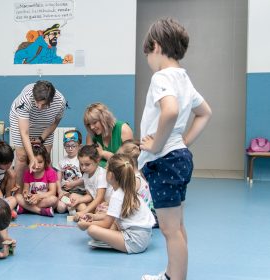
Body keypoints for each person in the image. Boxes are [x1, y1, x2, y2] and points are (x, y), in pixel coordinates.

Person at [138, 18, 212, 280]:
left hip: (164, 159)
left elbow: (169, 111)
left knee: (170, 230)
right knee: (177, 227)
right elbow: (205, 113)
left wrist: (157, 144)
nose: (148, 60)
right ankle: (173, 273)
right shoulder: (183, 78)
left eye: (147, 53)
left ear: (155, 47)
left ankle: (175, 278)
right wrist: (184, 142)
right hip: (177, 156)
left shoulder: (162, 77)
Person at [78, 154, 155, 253]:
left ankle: (112, 241)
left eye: (106, 169)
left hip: (134, 241)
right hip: (144, 237)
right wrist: (94, 217)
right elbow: (114, 216)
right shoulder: (128, 189)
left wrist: (86, 225)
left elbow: (106, 224)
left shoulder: (117, 195)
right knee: (109, 224)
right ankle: (113, 238)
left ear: (110, 175)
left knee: (92, 230)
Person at [9, 80, 66, 188]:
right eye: (36, 102)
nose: (39, 107)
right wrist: (31, 157)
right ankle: (19, 192)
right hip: (21, 120)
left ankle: (49, 190)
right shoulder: (25, 99)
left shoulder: (60, 102)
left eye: (43, 104)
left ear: (50, 100)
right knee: (22, 157)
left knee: (45, 157)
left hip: (45, 122)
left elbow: (55, 122)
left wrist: (42, 138)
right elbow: (24, 132)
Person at [70, 145, 113, 221]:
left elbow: (99, 198)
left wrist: (83, 212)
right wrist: (79, 200)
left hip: (106, 203)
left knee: (98, 210)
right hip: (97, 203)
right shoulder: (86, 175)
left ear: (97, 161)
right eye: (81, 164)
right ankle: (88, 214)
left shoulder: (101, 174)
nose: (83, 168)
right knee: (73, 197)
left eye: (87, 164)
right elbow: (90, 195)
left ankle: (87, 214)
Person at [84, 102, 133, 168]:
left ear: (104, 118)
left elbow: (128, 163)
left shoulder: (124, 129)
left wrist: (103, 153)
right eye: (88, 124)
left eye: (95, 122)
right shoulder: (91, 135)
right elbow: (86, 163)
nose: (91, 127)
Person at [15, 144, 58, 217]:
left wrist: (39, 196)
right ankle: (40, 211)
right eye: (34, 163)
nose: (37, 166)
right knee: (18, 196)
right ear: (30, 161)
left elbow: (52, 192)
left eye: (40, 162)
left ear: (45, 161)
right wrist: (26, 195)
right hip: (32, 200)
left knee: (53, 199)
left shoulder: (50, 172)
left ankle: (26, 209)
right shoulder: (28, 173)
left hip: (43, 199)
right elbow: (25, 190)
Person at [55, 130, 85, 213]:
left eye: (73, 146)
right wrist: (59, 191)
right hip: (66, 192)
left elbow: (86, 178)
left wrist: (73, 184)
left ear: (79, 146)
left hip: (80, 192)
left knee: (75, 200)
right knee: (60, 208)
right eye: (67, 146)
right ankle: (71, 205)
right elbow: (57, 179)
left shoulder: (82, 160)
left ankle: (73, 206)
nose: (70, 149)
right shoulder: (62, 161)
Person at [0, 140, 19, 211]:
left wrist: (14, 184)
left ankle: (8, 200)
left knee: (12, 174)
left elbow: (10, 176)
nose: (9, 165)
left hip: (1, 189)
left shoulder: (7, 166)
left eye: (10, 162)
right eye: (6, 164)